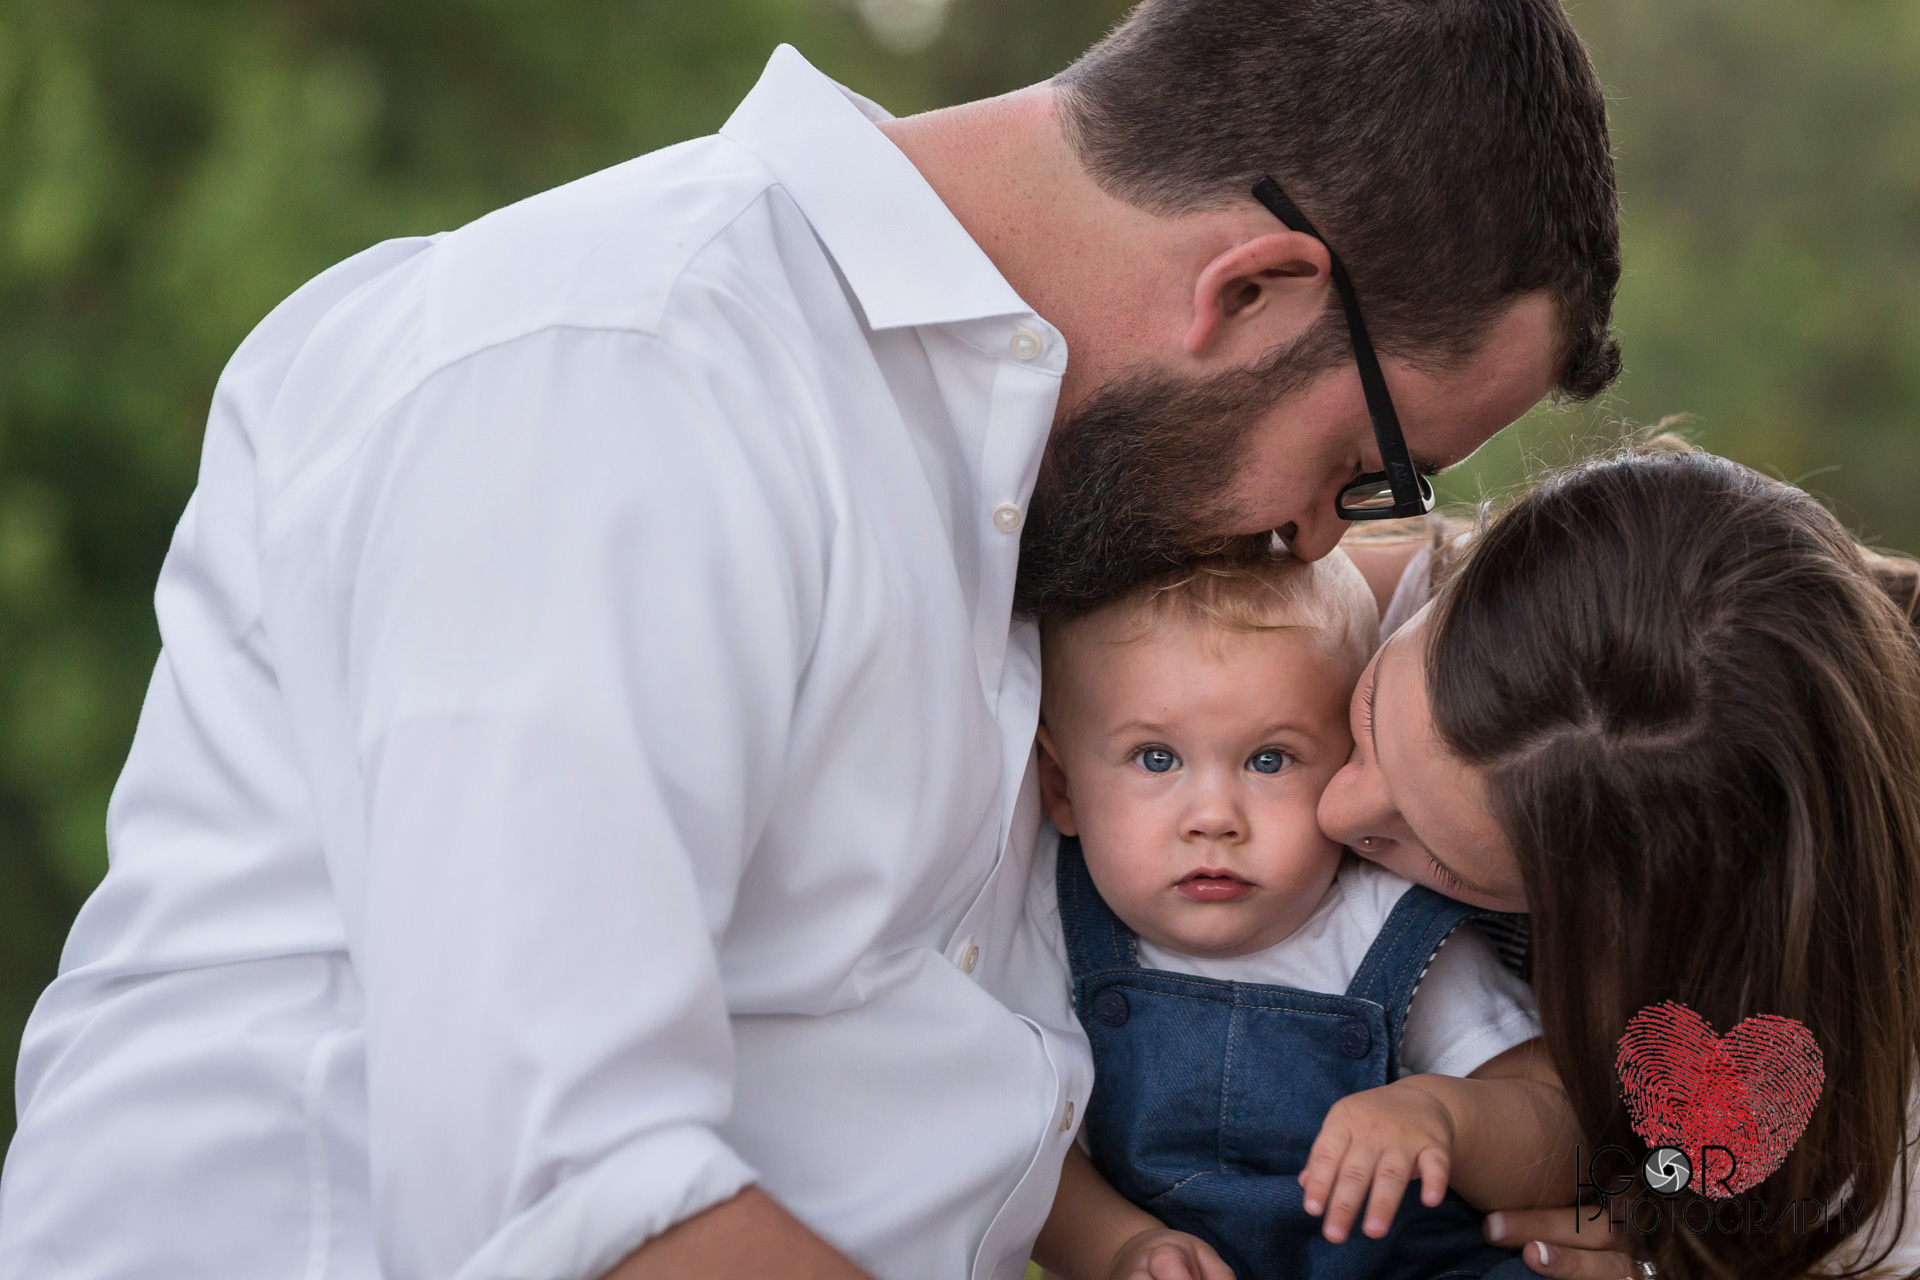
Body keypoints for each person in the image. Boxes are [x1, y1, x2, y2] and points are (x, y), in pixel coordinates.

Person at [0, 3, 1620, 1278]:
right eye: (1364, 472)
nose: (1328, 545)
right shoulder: (623, 372)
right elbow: (577, 1208)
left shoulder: (1049, 487)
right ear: (1254, 289)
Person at [1319, 446, 1920, 1280]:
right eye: (1370, 710)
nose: (1332, 813)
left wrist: (1663, 1243)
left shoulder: (1837, 1044)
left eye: (1447, 863)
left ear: (1627, 914)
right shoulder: (1352, 603)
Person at [1019, 550, 1569, 1280]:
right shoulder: (1048, 925)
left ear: (1346, 759)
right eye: (1156, 759)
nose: (1213, 818)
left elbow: (1567, 1136)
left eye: (1270, 761)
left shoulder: (1385, 929)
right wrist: (1119, 1246)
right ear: (1059, 785)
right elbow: (1020, 1155)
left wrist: (1445, 1117)